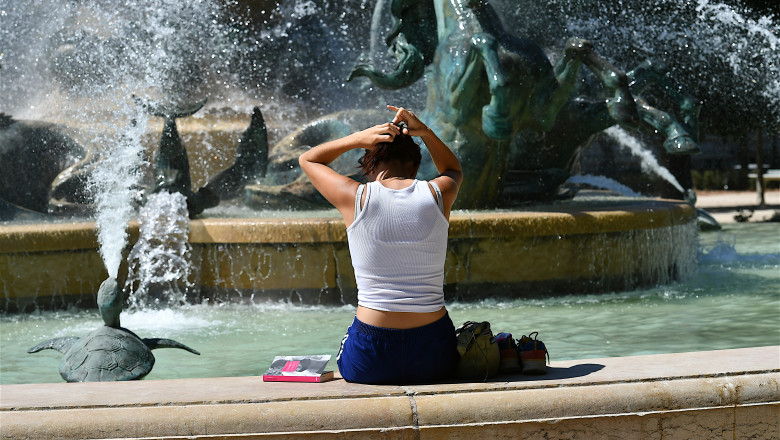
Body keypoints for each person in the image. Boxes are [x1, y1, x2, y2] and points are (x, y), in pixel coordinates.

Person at [298, 105, 463, 384]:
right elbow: (452, 168)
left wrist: (358, 138)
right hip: (434, 356)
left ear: (371, 166)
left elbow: (308, 160)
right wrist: (425, 132)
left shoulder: (356, 197)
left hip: (371, 357)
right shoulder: (438, 193)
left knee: (345, 347)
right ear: (415, 166)